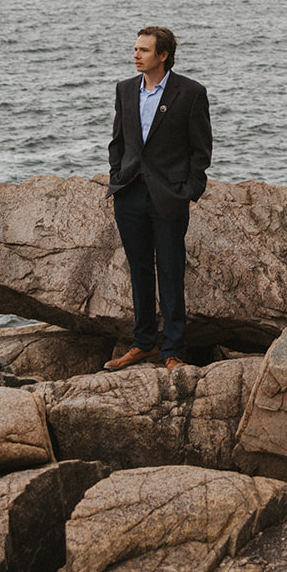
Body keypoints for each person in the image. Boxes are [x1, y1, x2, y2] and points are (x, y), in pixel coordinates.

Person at [104, 26, 212, 370]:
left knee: (169, 272)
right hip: (130, 195)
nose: (136, 55)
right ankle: (144, 343)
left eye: (144, 50)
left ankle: (174, 350)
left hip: (169, 197)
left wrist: (189, 190)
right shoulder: (125, 90)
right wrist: (117, 176)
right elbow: (118, 141)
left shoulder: (191, 92)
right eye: (135, 49)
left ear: (163, 55)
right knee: (138, 272)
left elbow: (201, 149)